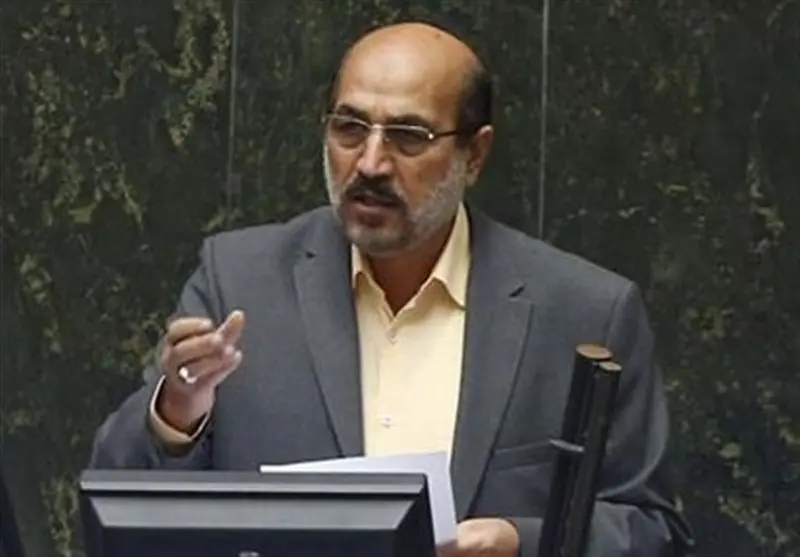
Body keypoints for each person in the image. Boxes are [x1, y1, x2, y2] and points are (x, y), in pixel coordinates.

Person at [89, 21, 694, 557]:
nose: (371, 163)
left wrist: (520, 543)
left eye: (409, 136)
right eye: (349, 128)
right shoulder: (239, 281)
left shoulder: (584, 311)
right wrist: (177, 412)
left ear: (475, 154)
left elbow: (652, 531)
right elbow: (115, 509)